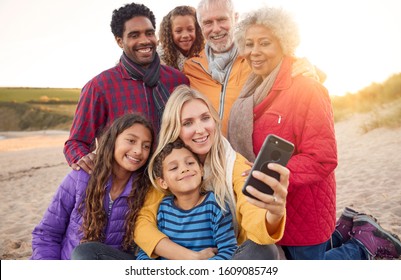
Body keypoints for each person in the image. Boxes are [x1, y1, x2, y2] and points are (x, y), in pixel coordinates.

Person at [228, 6, 401, 260]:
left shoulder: (308, 88)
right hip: (266, 208)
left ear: (284, 44)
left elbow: (323, 158)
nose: (255, 51)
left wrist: (269, 174)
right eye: (249, 43)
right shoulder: (250, 90)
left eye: (265, 43)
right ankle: (343, 231)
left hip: (304, 210)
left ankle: (366, 244)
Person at [134, 84, 289, 260]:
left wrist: (274, 214)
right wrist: (190, 258)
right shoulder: (168, 168)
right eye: (188, 123)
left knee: (265, 250)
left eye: (205, 118)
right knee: (95, 252)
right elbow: (142, 224)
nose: (200, 130)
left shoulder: (236, 165)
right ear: (175, 129)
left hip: (224, 259)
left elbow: (253, 216)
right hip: (179, 259)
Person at [64, 2, 189, 173]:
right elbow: (76, 142)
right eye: (134, 35)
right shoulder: (100, 86)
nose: (145, 40)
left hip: (172, 179)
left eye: (149, 33)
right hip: (126, 186)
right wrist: (83, 159)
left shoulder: (177, 80)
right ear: (119, 41)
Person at [183, 0, 324, 135]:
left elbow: (299, 71)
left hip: (250, 155)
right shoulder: (191, 68)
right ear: (200, 26)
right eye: (208, 23)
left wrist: (312, 70)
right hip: (208, 156)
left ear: (235, 18)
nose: (216, 28)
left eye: (222, 20)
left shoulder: (256, 57)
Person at [31, 114, 154, 260]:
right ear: (113, 140)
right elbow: (47, 234)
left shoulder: (145, 189)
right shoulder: (80, 177)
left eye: (146, 146)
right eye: (131, 140)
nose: (138, 151)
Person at [136, 139, 237, 260]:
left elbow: (228, 252)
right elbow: (145, 253)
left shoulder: (216, 206)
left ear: (201, 170)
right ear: (163, 183)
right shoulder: (163, 209)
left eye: (190, 163)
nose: (184, 169)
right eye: (174, 168)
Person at [157, 5, 205, 71]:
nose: (185, 35)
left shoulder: (203, 51)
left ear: (197, 30)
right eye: (178, 31)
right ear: (170, 33)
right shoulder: (161, 57)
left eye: (190, 29)